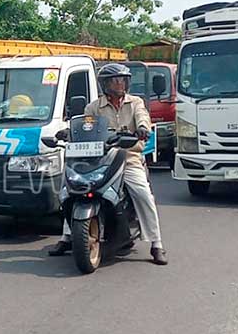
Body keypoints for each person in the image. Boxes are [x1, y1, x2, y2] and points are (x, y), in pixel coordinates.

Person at [48, 63, 169, 265]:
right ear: (105, 84)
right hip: (97, 159)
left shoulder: (135, 103)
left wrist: (141, 129)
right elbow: (84, 126)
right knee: (69, 189)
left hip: (128, 157)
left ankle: (156, 243)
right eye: (115, 80)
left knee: (142, 193)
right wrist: (69, 133)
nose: (119, 84)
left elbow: (143, 118)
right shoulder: (93, 107)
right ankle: (67, 236)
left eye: (122, 80)